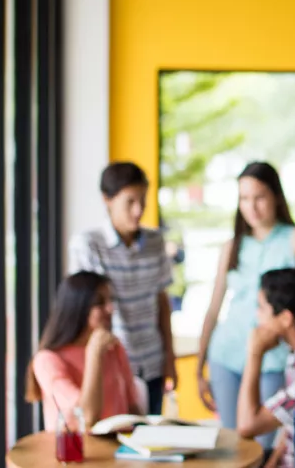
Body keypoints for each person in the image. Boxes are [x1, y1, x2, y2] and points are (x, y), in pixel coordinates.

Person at [196, 161, 295, 449]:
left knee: (262, 447)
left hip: (274, 361)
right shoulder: (232, 246)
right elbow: (213, 308)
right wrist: (199, 367)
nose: (252, 207)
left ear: (276, 196)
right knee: (230, 446)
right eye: (244, 199)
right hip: (226, 356)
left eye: (260, 197)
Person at [68, 162, 176, 415]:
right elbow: (87, 310)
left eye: (143, 201)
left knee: (152, 443)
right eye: (130, 202)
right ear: (107, 199)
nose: (138, 210)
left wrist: (170, 358)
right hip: (110, 365)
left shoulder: (155, 242)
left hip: (152, 363)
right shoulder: (88, 244)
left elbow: (162, 301)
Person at [25, 271, 142, 430]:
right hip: (77, 452)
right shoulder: (47, 360)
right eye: (99, 303)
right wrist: (94, 354)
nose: (110, 309)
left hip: (120, 448)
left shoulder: (114, 348)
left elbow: (133, 409)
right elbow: (87, 417)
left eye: (110, 300)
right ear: (77, 307)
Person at [236, 268, 295, 468]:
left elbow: (247, 426)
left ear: (286, 318)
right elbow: (289, 423)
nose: (257, 315)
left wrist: (254, 353)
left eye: (262, 307)